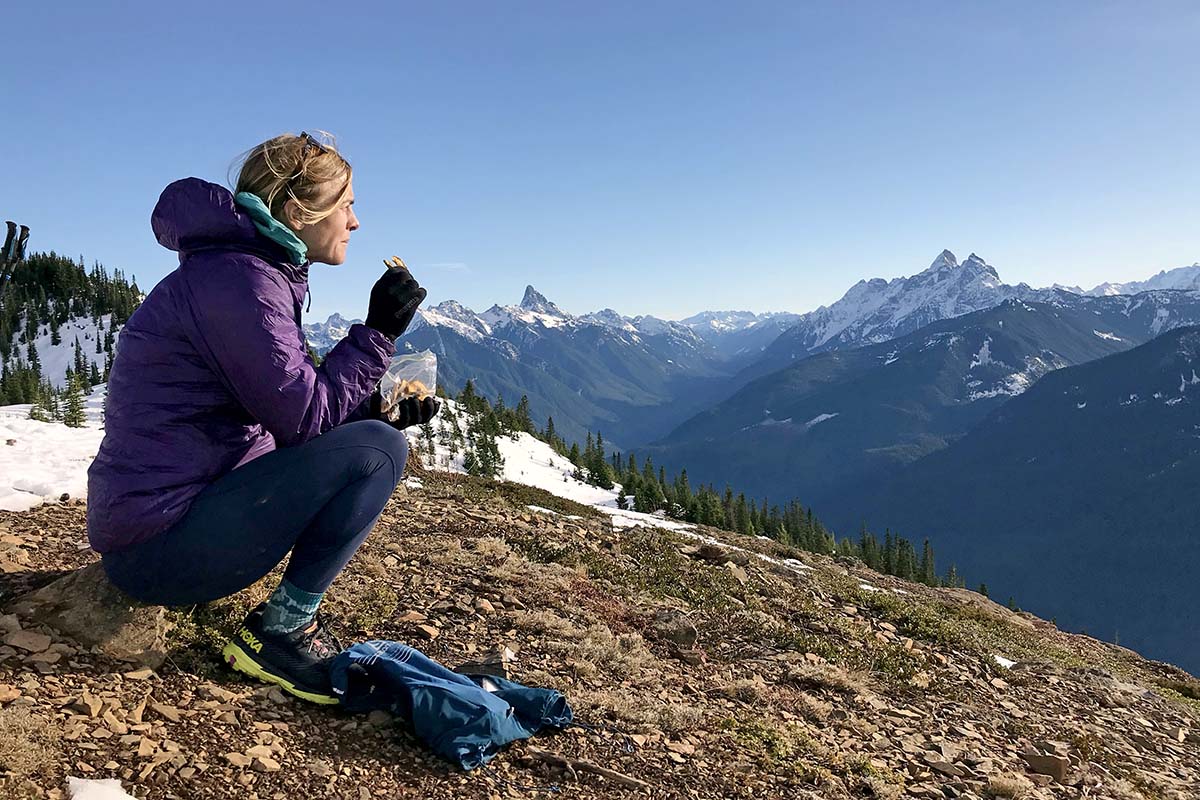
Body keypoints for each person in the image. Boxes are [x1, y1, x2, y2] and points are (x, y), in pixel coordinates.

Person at [86, 131, 440, 704]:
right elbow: (302, 419)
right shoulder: (242, 281)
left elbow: (289, 403)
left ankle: (280, 624)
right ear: (301, 212)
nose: (355, 222)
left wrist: (378, 405)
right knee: (378, 452)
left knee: (373, 436)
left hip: (168, 520)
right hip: (158, 547)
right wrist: (377, 333)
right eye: (346, 204)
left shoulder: (244, 272)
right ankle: (278, 635)